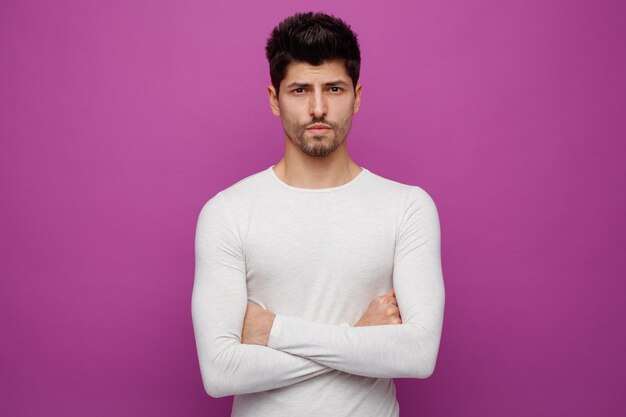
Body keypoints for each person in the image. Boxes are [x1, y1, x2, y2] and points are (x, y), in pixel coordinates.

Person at [191, 11, 445, 417]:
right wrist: (359, 338)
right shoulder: (227, 213)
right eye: (299, 90)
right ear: (275, 100)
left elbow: (417, 354)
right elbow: (221, 372)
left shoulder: (407, 207)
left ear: (357, 96)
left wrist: (272, 331)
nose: (318, 108)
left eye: (334, 88)